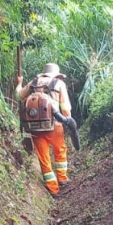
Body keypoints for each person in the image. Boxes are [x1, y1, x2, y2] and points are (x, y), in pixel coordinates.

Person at [16, 63, 72, 196]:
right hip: (55, 125)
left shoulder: (33, 83)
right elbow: (65, 107)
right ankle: (62, 179)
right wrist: (68, 121)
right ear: (56, 74)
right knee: (60, 150)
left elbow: (18, 96)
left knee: (43, 157)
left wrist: (19, 83)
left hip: (35, 127)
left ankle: (53, 188)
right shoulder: (59, 83)